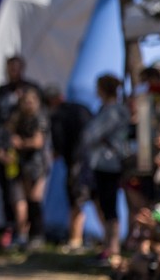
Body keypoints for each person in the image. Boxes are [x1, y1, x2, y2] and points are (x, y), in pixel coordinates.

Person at [0, 55, 41, 249]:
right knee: (10, 193)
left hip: (28, 155)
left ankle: (33, 233)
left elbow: (39, 125)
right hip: (8, 149)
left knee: (30, 196)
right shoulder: (2, 91)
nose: (14, 71)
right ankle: (11, 230)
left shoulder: (30, 89)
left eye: (17, 67)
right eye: (10, 68)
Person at [81, 74, 130, 267]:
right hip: (102, 163)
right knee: (104, 204)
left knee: (109, 206)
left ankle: (113, 249)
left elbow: (91, 134)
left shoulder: (113, 111)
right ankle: (108, 246)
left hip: (109, 163)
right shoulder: (107, 109)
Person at [44, 85, 93, 252]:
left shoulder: (58, 115)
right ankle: (107, 241)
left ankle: (76, 239)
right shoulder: (81, 109)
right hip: (91, 161)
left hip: (77, 162)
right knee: (99, 201)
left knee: (76, 199)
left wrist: (57, 151)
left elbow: (58, 142)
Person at [6, 87, 49, 250]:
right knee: (23, 201)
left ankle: (37, 235)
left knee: (34, 200)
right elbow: (8, 135)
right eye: (26, 102)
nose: (28, 105)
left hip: (37, 164)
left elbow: (38, 142)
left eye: (31, 101)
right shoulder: (18, 118)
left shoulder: (40, 118)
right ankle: (24, 235)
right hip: (22, 164)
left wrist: (21, 143)